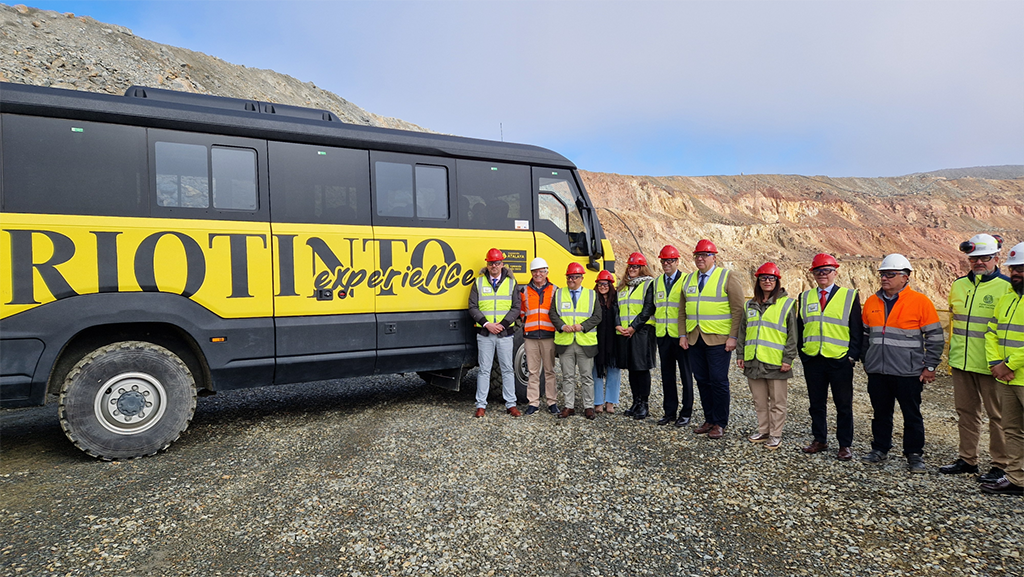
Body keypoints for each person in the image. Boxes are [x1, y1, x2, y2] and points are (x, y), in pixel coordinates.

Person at [861, 253, 944, 473]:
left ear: (905, 277)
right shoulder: (872, 301)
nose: (884, 278)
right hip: (878, 370)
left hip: (909, 372)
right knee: (880, 412)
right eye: (882, 274)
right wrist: (867, 361)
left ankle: (914, 454)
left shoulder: (920, 302)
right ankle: (880, 448)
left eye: (890, 274)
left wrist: (930, 366)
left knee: (911, 414)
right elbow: (864, 335)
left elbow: (935, 338)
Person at [940, 234, 1011, 481]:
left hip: (992, 366)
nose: (979, 262)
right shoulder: (959, 285)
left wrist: (1003, 363)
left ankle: (1001, 465)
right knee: (966, 412)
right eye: (974, 258)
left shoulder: (1006, 287)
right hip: (961, 361)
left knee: (998, 417)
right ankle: (967, 459)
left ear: (996, 258)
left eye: (984, 257)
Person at [797, 253, 863, 461]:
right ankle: (820, 439)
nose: (822, 274)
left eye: (826, 270)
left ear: (835, 272)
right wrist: (803, 353)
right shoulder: (805, 297)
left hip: (839, 359)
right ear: (813, 274)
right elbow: (801, 327)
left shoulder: (849, 296)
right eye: (818, 271)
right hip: (814, 358)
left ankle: (844, 445)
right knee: (816, 403)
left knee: (843, 404)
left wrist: (852, 356)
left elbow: (856, 329)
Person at [677, 239, 745, 439]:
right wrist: (683, 334)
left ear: (713, 257)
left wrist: (733, 337)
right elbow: (682, 311)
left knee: (718, 381)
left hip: (718, 340)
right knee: (702, 380)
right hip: (695, 338)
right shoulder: (688, 280)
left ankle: (720, 422)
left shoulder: (727, 277)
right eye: (697, 255)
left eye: (704, 255)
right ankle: (709, 419)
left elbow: (738, 310)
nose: (700, 258)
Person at [736, 263, 797, 450]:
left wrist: (788, 359)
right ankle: (764, 430)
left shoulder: (787, 304)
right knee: (759, 400)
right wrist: (740, 354)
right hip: (753, 361)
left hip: (776, 362)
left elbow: (793, 335)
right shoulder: (750, 304)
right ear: (758, 281)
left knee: (778, 402)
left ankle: (776, 434)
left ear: (777, 281)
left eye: (771, 278)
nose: (767, 281)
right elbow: (743, 332)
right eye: (763, 278)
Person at [982, 242, 1024, 495]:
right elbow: (991, 332)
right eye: (1013, 269)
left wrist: (1008, 364)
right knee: (1013, 430)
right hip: (1007, 378)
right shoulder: (1007, 299)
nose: (1015, 273)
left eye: (1021, 268)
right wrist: (996, 364)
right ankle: (1017, 479)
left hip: (1016, 373)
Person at [467, 248, 521, 418]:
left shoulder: (512, 283)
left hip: (504, 334)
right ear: (487, 264)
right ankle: (481, 405)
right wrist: (487, 324)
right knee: (484, 369)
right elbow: (472, 307)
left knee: (507, 369)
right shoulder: (478, 283)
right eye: (491, 263)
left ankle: (511, 404)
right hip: (485, 333)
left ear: (502, 264)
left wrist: (503, 325)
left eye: (497, 263)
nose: (494, 266)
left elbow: (516, 307)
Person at [551, 263, 602, 419]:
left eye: (574, 277)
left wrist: (582, 326)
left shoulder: (592, 295)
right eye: (569, 277)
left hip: (585, 343)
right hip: (565, 342)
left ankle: (588, 407)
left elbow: (597, 317)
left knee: (586, 377)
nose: (571, 280)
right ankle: (569, 406)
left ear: (581, 278)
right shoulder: (559, 293)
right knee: (568, 376)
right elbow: (552, 314)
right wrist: (561, 326)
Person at [653, 245, 694, 427]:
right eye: (664, 261)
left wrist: (686, 333)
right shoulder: (657, 282)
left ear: (677, 261)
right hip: (663, 336)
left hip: (681, 337)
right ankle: (669, 412)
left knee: (686, 375)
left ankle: (686, 413)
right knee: (667, 375)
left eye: (670, 260)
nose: (666, 264)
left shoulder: (686, 280)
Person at [616, 252, 658, 420]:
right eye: (630, 266)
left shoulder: (649, 284)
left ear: (642, 268)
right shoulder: (624, 286)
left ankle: (644, 405)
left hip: (643, 331)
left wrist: (633, 327)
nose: (632, 269)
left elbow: (648, 309)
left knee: (642, 368)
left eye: (636, 266)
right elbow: (617, 308)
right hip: (626, 332)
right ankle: (635, 401)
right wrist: (620, 325)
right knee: (632, 368)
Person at [521, 257, 560, 416]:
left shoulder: (554, 290)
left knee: (550, 370)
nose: (538, 274)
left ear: (546, 272)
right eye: (535, 272)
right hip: (530, 336)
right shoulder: (524, 290)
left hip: (548, 335)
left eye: (541, 271)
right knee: (533, 371)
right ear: (531, 273)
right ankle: (533, 403)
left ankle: (552, 402)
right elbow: (522, 312)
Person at [593, 270, 622, 414]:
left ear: (610, 285)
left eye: (605, 284)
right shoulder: (592, 299)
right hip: (597, 341)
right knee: (596, 371)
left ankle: (610, 402)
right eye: (600, 284)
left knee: (614, 371)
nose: (602, 286)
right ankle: (598, 402)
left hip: (613, 342)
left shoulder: (618, 300)